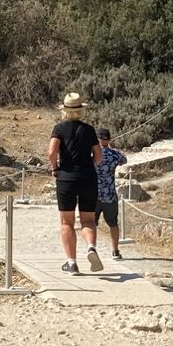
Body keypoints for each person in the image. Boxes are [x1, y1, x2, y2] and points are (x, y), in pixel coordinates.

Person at [48, 92, 103, 274]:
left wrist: (55, 168)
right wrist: (89, 166)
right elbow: (99, 156)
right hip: (88, 177)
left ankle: (71, 263)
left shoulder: (59, 129)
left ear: (64, 109)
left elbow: (51, 151)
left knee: (67, 222)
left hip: (66, 178)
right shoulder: (89, 129)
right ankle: (91, 247)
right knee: (88, 220)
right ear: (81, 110)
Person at [96, 127, 128, 259]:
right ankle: (115, 250)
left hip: (92, 195)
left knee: (90, 224)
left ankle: (91, 248)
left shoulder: (90, 154)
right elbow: (124, 159)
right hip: (109, 194)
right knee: (113, 224)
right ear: (109, 139)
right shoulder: (115, 155)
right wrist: (112, 147)